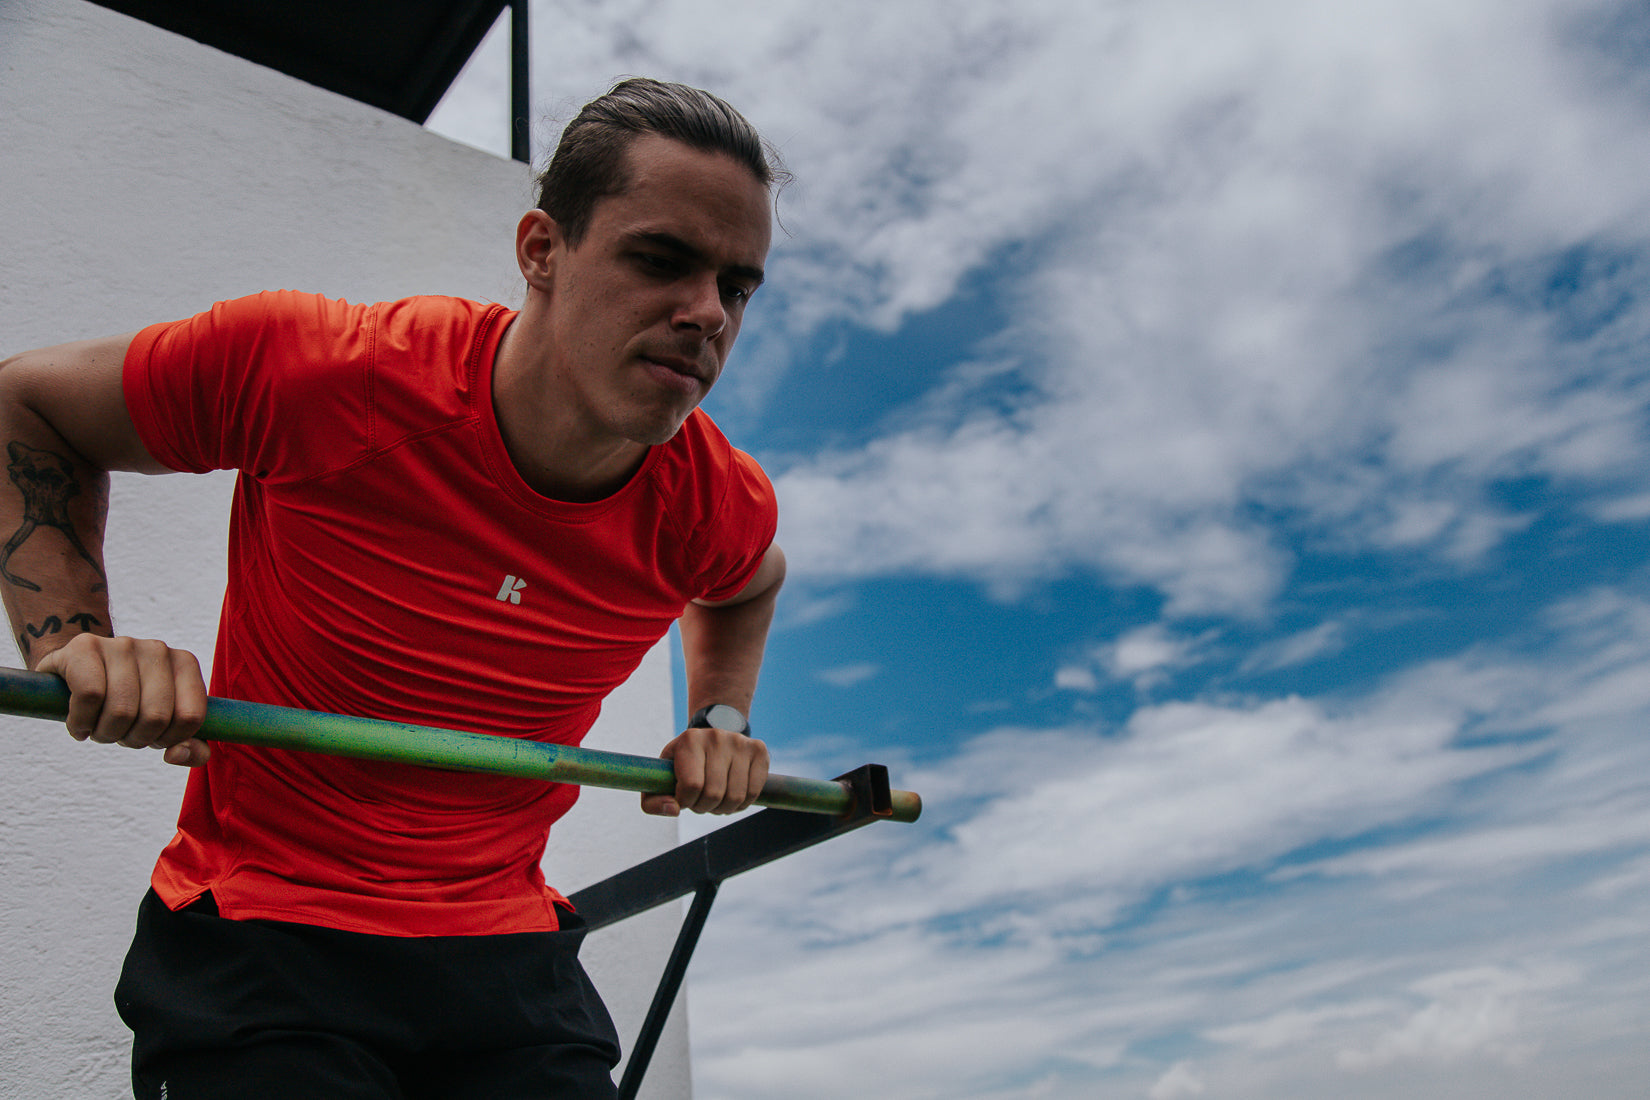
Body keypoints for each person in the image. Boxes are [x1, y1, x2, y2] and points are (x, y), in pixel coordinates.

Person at [0, 77, 785, 1099]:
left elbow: (746, 582)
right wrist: (71, 644)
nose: (705, 314)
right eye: (660, 259)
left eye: (738, 286)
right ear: (542, 250)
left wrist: (719, 715)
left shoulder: (713, 501)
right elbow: (29, 404)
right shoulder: (326, 371)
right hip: (265, 929)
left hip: (507, 950)